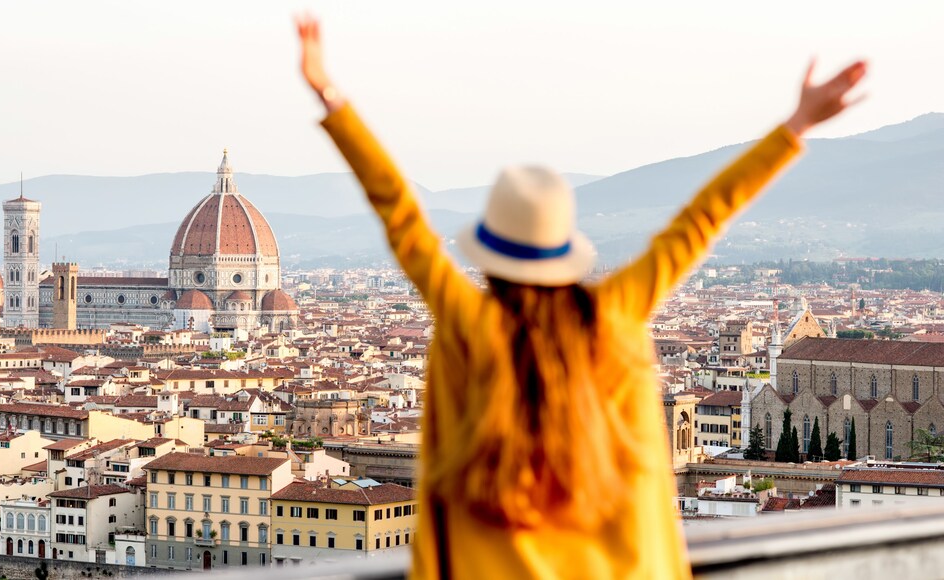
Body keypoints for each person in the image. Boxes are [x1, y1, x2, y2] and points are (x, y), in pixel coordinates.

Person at [296, 14, 866, 579]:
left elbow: (401, 217)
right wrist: (795, 126)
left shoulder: (471, 321)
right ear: (563, 252)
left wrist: (330, 94)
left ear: (491, 260)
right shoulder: (612, 314)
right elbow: (699, 222)